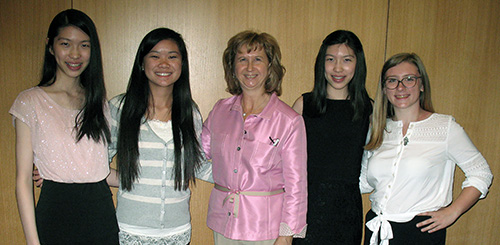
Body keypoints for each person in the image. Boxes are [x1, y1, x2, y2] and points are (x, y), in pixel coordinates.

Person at [10, 9, 119, 244]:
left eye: (84, 45)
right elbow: (23, 180)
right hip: (55, 214)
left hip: (101, 214)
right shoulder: (29, 101)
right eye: (66, 44)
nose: (75, 54)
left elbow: (96, 170)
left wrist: (151, 177)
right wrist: (32, 241)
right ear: (51, 46)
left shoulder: (97, 101)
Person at [360, 53, 493, 245]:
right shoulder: (377, 130)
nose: (400, 87)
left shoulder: (445, 128)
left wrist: (452, 212)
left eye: (409, 79)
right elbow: (364, 182)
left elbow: (481, 172)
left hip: (421, 232)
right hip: (377, 227)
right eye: (392, 81)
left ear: (421, 85)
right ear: (384, 89)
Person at [106, 28, 212, 244]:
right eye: (155, 56)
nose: (164, 64)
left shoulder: (189, 111)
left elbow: (198, 165)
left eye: (172, 57)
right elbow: (94, 165)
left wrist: (251, 177)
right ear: (141, 62)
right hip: (130, 230)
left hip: (177, 232)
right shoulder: (120, 108)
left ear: (182, 64)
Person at [201, 30, 308, 245]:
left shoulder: (289, 120)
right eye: (242, 59)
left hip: (265, 229)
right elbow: (197, 155)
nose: (250, 68)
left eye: (257, 59)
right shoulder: (220, 111)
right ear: (233, 67)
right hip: (223, 223)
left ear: (270, 66)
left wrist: (287, 234)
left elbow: (296, 184)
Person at [291, 30, 372, 244]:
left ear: (358, 63)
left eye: (347, 60)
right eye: (330, 59)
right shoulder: (303, 105)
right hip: (306, 211)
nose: (338, 68)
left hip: (347, 213)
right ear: (321, 63)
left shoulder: (369, 109)